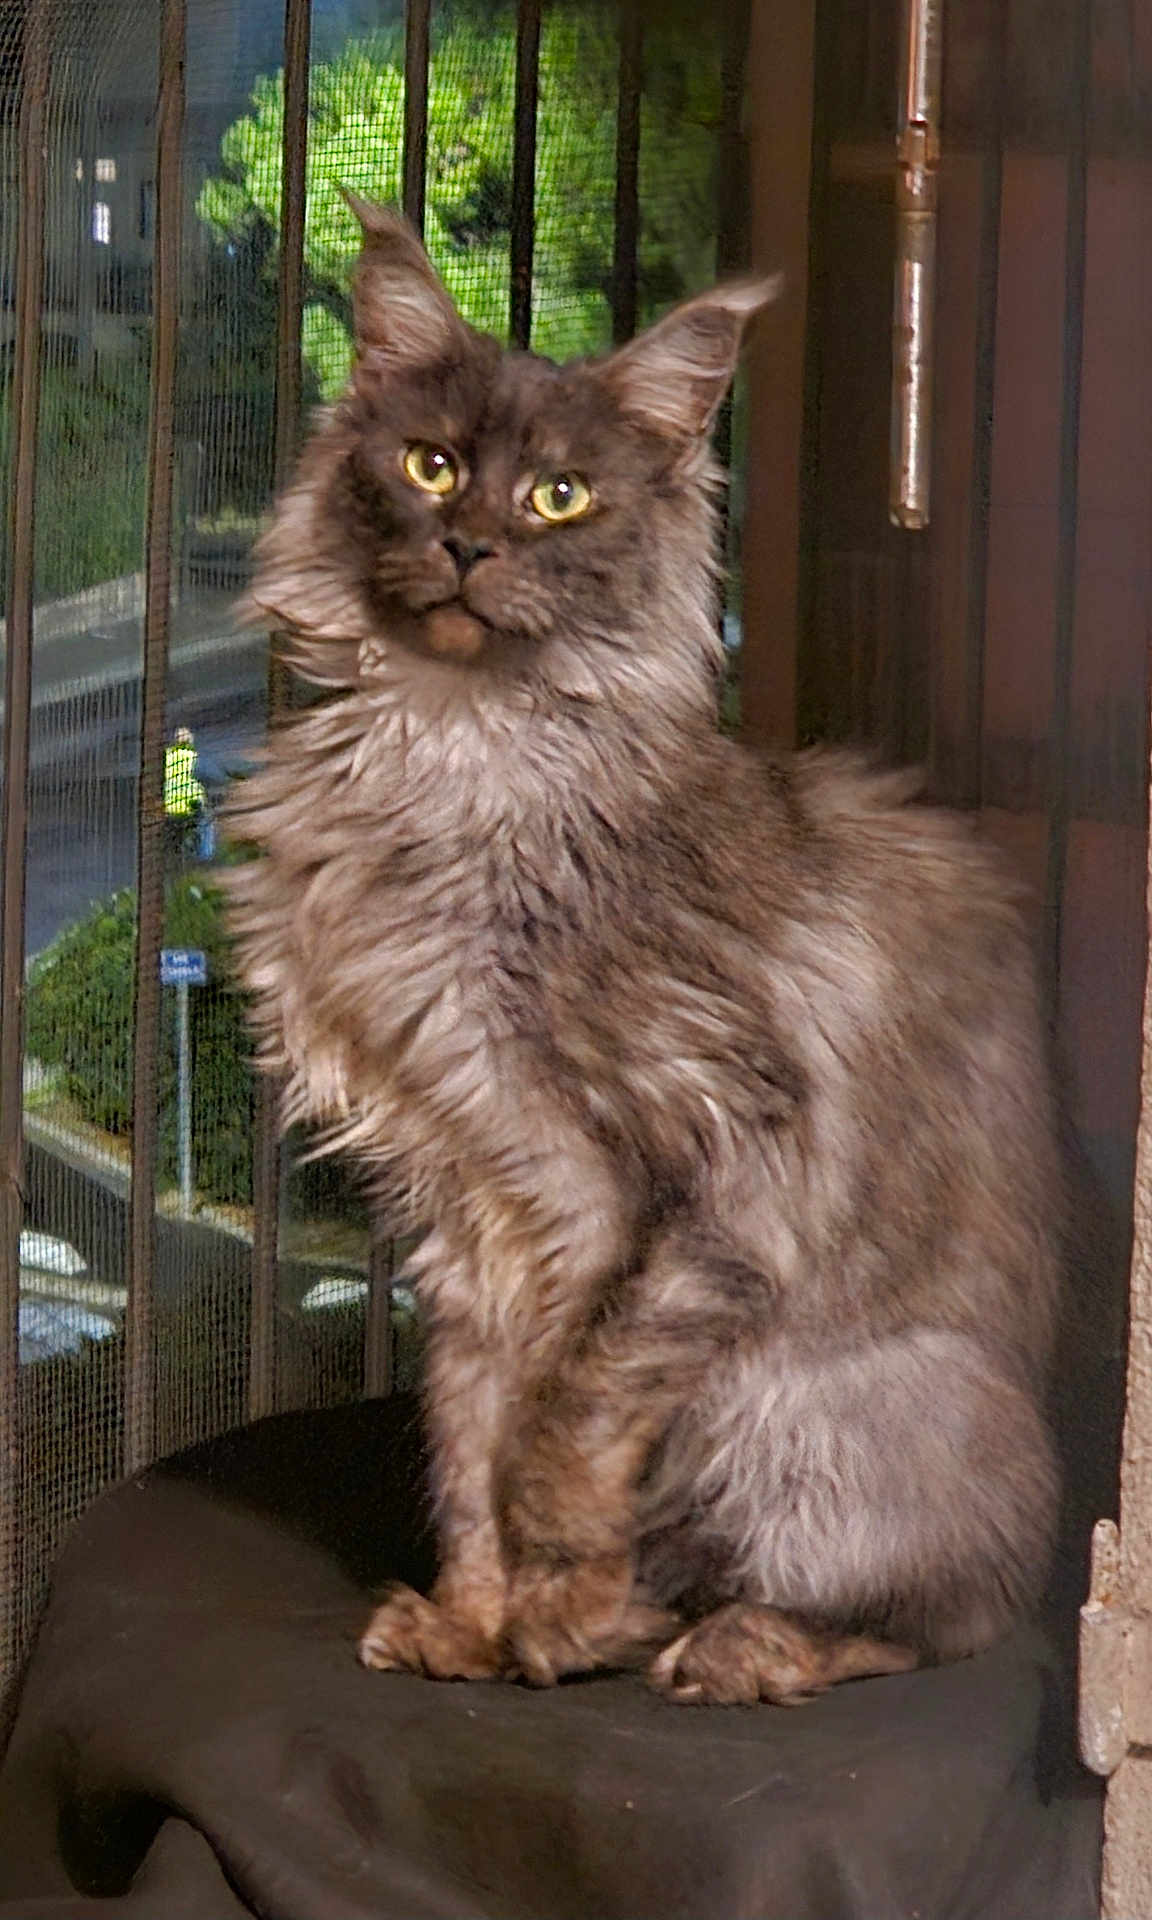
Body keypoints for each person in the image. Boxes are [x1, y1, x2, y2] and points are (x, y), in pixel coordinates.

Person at [163, 727, 207, 870]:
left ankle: (172, 849)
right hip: (191, 803)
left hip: (171, 804)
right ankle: (203, 854)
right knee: (205, 822)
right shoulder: (193, 757)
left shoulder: (167, 756)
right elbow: (205, 776)